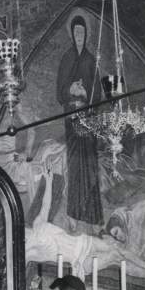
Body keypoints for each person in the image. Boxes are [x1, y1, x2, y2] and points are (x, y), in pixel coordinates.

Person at [56, 15, 104, 234]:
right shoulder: (66, 58)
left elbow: (99, 92)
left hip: (89, 115)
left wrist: (87, 93)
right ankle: (74, 214)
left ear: (86, 35)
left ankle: (93, 216)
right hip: (73, 116)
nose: (79, 36)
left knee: (91, 163)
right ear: (71, 34)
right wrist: (71, 91)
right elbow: (60, 92)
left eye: (82, 32)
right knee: (76, 164)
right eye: (76, 32)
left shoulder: (91, 59)